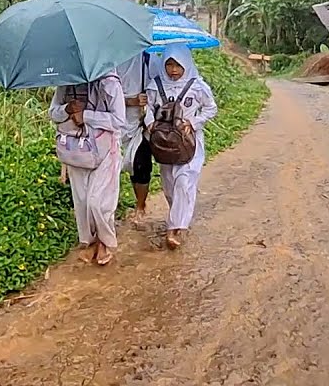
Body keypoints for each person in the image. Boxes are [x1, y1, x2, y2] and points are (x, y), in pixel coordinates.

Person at [49, 71, 126, 266]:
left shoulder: (110, 83)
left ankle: (105, 242)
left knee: (99, 202)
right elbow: (53, 113)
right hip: (75, 149)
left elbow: (118, 120)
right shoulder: (66, 82)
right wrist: (68, 109)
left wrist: (86, 116)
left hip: (106, 149)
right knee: (82, 201)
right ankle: (90, 241)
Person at [145, 45, 217, 250]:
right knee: (169, 184)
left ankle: (175, 227)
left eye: (178, 65)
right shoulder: (155, 85)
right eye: (169, 65)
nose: (173, 70)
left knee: (184, 181)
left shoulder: (197, 86)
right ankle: (177, 215)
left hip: (189, 142)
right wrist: (150, 122)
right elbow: (148, 107)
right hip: (164, 143)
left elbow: (211, 108)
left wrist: (193, 123)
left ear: (186, 64)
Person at [116, 53, 152, 223]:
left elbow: (160, 87)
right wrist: (128, 101)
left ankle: (140, 205)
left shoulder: (147, 58)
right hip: (109, 125)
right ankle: (111, 209)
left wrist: (147, 100)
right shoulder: (106, 59)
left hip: (138, 124)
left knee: (140, 166)